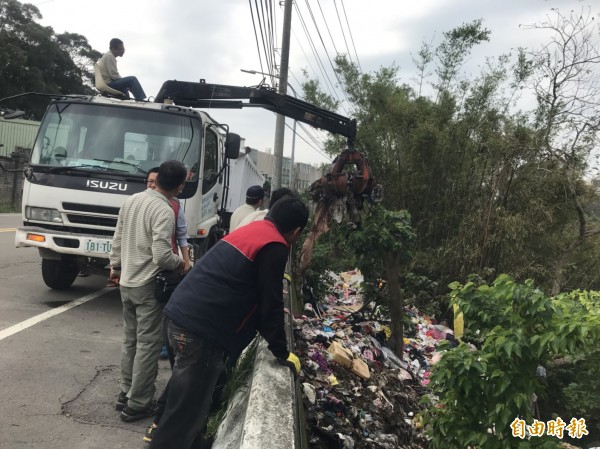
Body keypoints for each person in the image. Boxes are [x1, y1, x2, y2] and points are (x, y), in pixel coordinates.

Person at [147, 196, 309, 449]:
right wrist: (281, 350)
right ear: (297, 231)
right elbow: (271, 300)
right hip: (200, 333)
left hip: (178, 317)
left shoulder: (253, 230)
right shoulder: (276, 245)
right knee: (183, 417)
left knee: (192, 406)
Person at [109, 160, 187, 422]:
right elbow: (163, 256)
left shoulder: (131, 201)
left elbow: (117, 238)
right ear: (179, 186)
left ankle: (125, 392)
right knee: (148, 345)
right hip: (147, 285)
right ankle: (138, 403)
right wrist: (183, 264)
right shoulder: (164, 211)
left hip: (127, 281)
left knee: (130, 340)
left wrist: (116, 266)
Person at [146, 167, 191, 359]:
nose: (152, 184)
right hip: (152, 264)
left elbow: (181, 234)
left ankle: (163, 344)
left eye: (154, 181)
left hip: (166, 262)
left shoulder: (174, 206)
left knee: (164, 305)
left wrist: (185, 261)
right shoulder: (142, 202)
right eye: (149, 181)